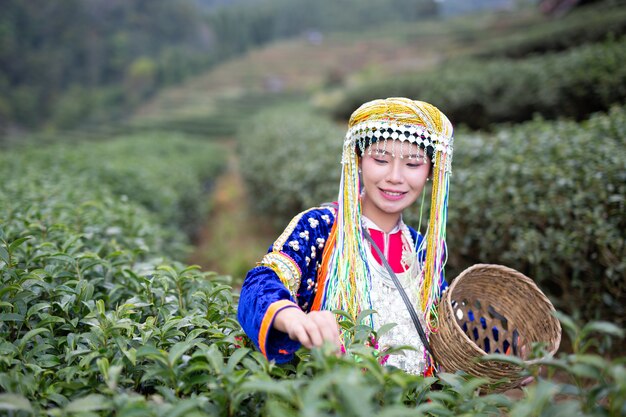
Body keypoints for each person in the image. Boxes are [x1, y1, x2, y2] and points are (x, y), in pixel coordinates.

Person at [237, 97, 454, 376]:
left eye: (413, 164)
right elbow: (260, 284)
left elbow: (448, 321)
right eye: (380, 160)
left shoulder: (424, 250)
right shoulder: (320, 227)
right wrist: (292, 319)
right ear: (359, 160)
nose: (395, 177)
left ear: (430, 172)